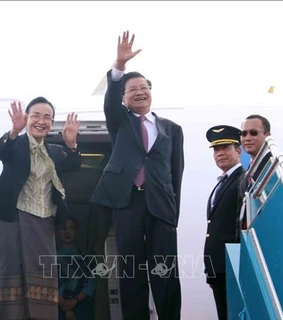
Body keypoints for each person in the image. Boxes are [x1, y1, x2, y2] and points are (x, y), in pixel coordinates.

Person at [90, 31, 184, 320]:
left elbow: (175, 172)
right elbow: (110, 101)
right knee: (131, 272)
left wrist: (172, 212)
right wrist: (119, 65)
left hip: (160, 206)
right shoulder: (119, 121)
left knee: (165, 272)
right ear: (125, 98)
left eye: (144, 87)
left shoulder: (172, 129)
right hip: (128, 203)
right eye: (132, 90)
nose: (140, 92)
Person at [0, 97, 81, 320]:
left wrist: (71, 144)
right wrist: (14, 131)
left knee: (42, 273)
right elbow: (0, 151)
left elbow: (74, 165)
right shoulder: (15, 145)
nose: (41, 121)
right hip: (11, 218)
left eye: (47, 117)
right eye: (36, 115)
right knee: (8, 268)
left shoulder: (55, 151)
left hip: (43, 220)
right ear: (26, 118)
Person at [204, 125, 245, 320]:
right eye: (216, 150)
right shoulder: (221, 183)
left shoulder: (243, 179)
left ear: (238, 151)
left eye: (225, 148)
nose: (220, 153)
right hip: (219, 267)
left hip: (234, 265)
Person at [238, 114, 283, 231]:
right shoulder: (244, 176)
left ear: (267, 135)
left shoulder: (279, 164)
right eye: (243, 134)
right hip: (249, 241)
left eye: (253, 133)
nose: (247, 138)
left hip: (271, 238)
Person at [57, 215, 95, 320]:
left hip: (81, 306)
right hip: (56, 306)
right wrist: (65, 307)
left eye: (71, 228)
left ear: (77, 232)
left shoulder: (85, 258)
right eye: (63, 228)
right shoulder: (51, 258)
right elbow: (48, 283)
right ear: (57, 231)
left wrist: (75, 301)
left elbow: (91, 284)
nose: (67, 232)